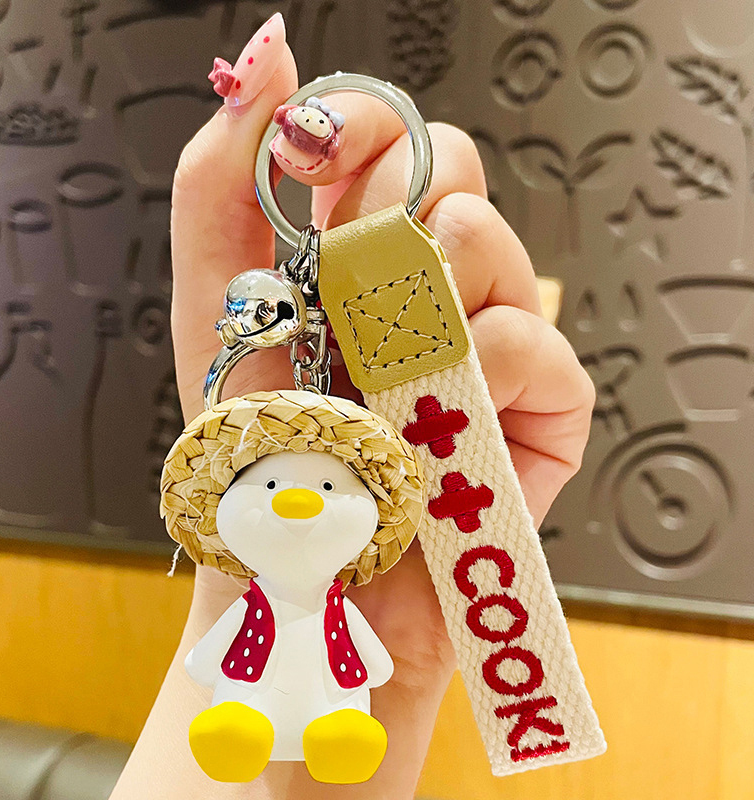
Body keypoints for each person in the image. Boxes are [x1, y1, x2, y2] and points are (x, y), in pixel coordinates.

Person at [110, 13, 595, 800]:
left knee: (340, 715)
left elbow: (368, 663)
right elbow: (219, 658)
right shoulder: (255, 595)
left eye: (330, 487)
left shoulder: (347, 606)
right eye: (270, 484)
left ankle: (333, 732)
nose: (299, 498)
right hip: (247, 711)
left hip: (341, 713)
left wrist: (401, 672)